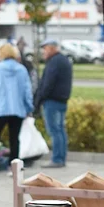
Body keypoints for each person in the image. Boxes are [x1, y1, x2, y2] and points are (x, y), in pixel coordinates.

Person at [0, 43, 33, 174]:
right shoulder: (21, 69)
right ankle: (13, 167)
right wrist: (29, 108)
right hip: (17, 109)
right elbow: (27, 91)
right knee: (14, 139)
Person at [33, 38, 73, 167]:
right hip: (61, 100)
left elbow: (48, 83)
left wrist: (39, 100)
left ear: (52, 48)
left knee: (54, 130)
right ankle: (61, 158)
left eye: (45, 48)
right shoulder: (63, 60)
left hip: (52, 101)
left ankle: (57, 159)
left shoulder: (54, 62)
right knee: (60, 129)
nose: (43, 51)